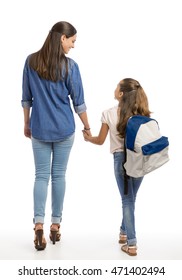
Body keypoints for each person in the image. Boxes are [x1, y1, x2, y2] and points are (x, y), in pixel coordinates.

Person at [21, 21, 91, 250]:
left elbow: (26, 98)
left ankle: (38, 225)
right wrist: (87, 127)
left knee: (41, 176)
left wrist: (27, 123)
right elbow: (78, 102)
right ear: (62, 38)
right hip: (64, 129)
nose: (73, 46)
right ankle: (55, 226)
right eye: (72, 41)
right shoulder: (70, 66)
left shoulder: (31, 61)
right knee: (59, 176)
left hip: (39, 127)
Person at [83, 78, 151, 256]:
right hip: (140, 159)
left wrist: (88, 137)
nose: (114, 89)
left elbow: (100, 141)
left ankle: (132, 243)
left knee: (127, 200)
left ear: (121, 94)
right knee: (130, 198)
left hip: (120, 158)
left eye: (117, 86)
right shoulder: (142, 114)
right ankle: (123, 232)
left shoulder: (109, 114)